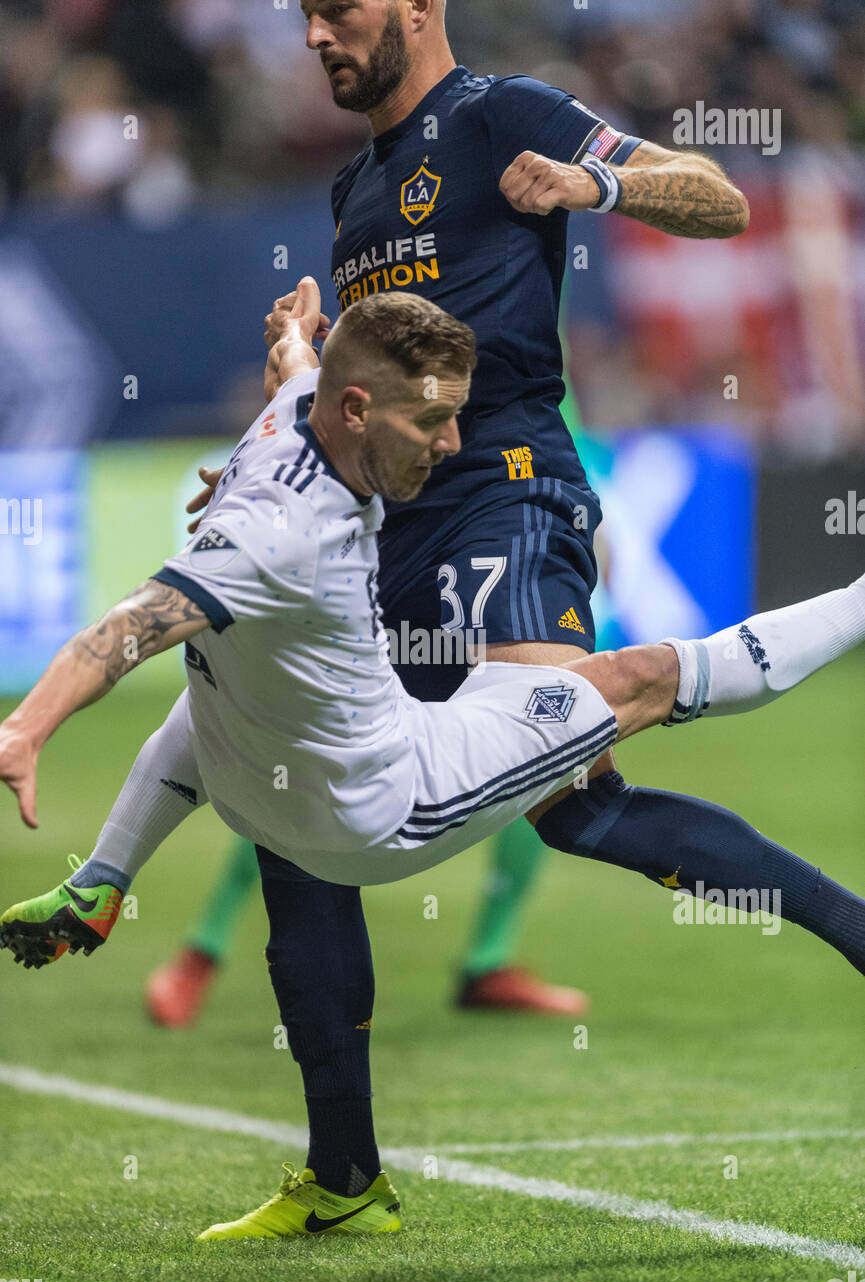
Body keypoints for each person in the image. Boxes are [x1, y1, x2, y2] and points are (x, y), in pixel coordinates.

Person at [2, 285, 864, 1240]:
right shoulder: (288, 532)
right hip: (384, 807)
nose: (452, 446)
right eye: (434, 420)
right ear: (360, 408)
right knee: (639, 678)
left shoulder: (294, 410)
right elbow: (127, 628)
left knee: (222, 683)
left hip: (263, 790)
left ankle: (103, 881)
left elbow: (293, 370)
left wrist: (292, 331)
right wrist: (27, 729)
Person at [146, 0, 753, 1028]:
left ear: (419, 7)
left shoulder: (506, 111)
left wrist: (592, 182)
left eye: (336, 11)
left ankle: (485, 956)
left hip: (503, 483)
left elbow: (720, 197)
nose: (312, 37)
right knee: (323, 754)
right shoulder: (355, 188)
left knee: (561, 763)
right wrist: (278, 443)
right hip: (394, 522)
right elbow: (363, 396)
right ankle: (325, 1131)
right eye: (303, 15)